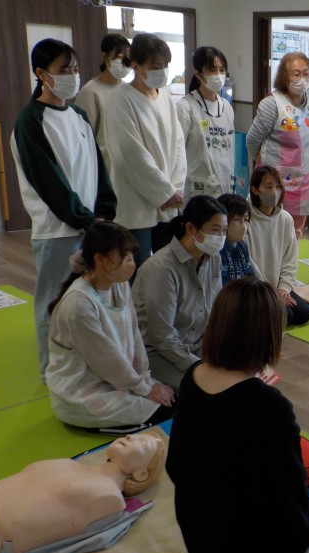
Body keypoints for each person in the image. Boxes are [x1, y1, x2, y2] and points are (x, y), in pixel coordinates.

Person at [166, 278, 309, 553]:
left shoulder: (192, 377)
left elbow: (175, 466)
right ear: (268, 335)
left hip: (201, 543)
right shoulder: (267, 405)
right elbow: (290, 498)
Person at [10, 38, 117, 381]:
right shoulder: (31, 121)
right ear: (42, 74)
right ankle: (52, 371)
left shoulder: (79, 116)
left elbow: (98, 169)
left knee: (87, 301)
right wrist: (85, 218)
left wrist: (104, 212)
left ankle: (83, 364)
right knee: (53, 302)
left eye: (75, 69)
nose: (72, 76)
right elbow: (48, 182)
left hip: (90, 226)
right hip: (57, 230)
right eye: (63, 70)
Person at [46, 222, 175, 433]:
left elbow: (134, 335)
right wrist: (144, 389)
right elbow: (106, 360)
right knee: (162, 410)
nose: (132, 263)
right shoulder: (79, 304)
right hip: (85, 390)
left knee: (172, 400)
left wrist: (146, 379)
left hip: (117, 380)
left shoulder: (119, 284)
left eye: (131, 256)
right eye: (125, 257)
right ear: (100, 259)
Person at [0, 431, 166, 553]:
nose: (130, 436)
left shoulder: (110, 497)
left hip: (0, 534)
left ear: (141, 474)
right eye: (133, 435)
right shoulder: (73, 465)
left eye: (142, 443)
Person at [106, 33, 186, 267]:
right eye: (156, 67)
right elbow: (130, 154)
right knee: (137, 267)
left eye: (165, 66)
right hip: (136, 204)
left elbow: (179, 146)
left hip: (168, 202)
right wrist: (164, 191)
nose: (162, 71)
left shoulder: (166, 98)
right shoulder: (121, 98)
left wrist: (175, 188)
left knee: (167, 265)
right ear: (136, 66)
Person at [132, 195, 226, 393]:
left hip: (196, 346)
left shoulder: (213, 258)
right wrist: (198, 365)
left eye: (224, 231)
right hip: (156, 354)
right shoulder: (161, 268)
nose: (220, 237)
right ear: (191, 228)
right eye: (215, 229)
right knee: (206, 390)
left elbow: (215, 313)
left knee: (241, 377)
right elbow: (162, 337)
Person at [246, 51, 309, 239]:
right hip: (277, 181)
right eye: (296, 74)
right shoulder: (271, 103)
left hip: (308, 178)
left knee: (295, 233)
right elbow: (253, 140)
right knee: (271, 232)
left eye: (306, 73)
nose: (302, 79)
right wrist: (262, 163)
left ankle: (291, 258)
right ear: (284, 76)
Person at [245, 166, 309, 326]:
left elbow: (290, 260)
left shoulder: (285, 219)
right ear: (255, 190)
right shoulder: (246, 219)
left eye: (278, 187)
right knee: (285, 315)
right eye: (269, 186)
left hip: (278, 287)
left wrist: (283, 289)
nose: (274, 192)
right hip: (256, 288)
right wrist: (270, 291)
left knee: (304, 314)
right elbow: (248, 262)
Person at [177, 46, 235, 200]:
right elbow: (177, 151)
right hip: (197, 188)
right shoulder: (186, 106)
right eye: (212, 70)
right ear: (198, 74)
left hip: (225, 184)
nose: (218, 75)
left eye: (222, 70)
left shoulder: (227, 107)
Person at [74, 33, 131, 174]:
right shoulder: (90, 92)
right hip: (104, 170)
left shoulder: (128, 90)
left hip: (127, 168)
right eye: (119, 57)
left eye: (127, 58)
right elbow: (82, 139)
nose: (124, 62)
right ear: (105, 57)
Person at [216, 193, 256, 284]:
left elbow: (250, 277)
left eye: (246, 220)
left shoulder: (242, 245)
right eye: (237, 219)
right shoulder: (218, 249)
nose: (244, 226)